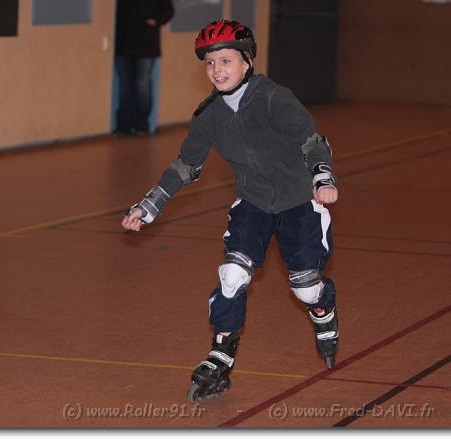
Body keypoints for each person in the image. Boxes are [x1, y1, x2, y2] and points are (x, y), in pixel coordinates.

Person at [121, 19, 340, 401]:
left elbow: (311, 142)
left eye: (225, 60)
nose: (217, 70)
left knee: (305, 289)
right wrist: (149, 205)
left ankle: (324, 308)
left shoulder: (274, 98)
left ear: (247, 61)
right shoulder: (209, 115)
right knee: (232, 275)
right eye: (210, 63)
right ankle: (220, 355)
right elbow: (186, 165)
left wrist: (323, 178)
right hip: (253, 204)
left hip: (299, 203)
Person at [114, 0, 174, 136]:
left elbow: (168, 10)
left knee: (143, 84)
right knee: (125, 85)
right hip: (122, 44)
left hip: (146, 44)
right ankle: (124, 126)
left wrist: (155, 20)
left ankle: (141, 124)